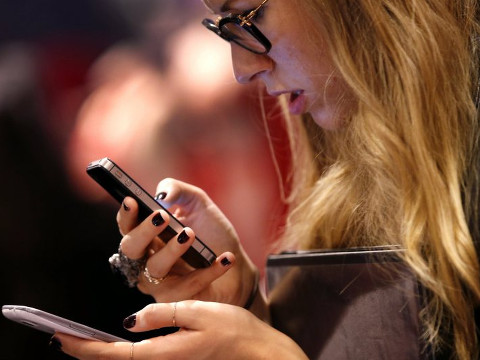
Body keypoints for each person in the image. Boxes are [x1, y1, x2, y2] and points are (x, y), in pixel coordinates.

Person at [54, 0, 480, 359]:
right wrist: (244, 304)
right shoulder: (346, 159)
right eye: (224, 29)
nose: (242, 68)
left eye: (247, 17)